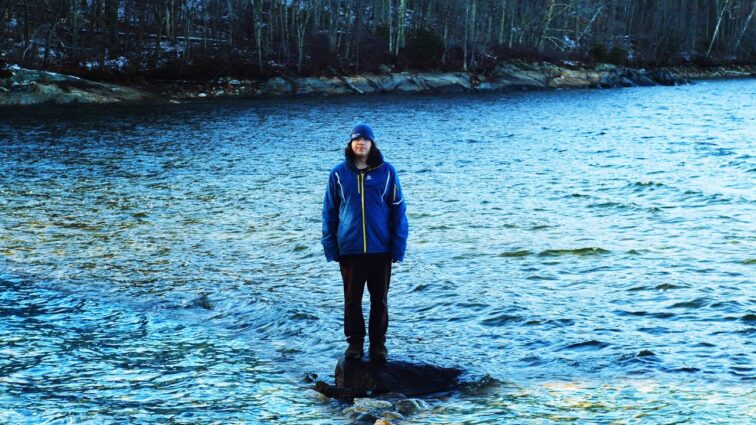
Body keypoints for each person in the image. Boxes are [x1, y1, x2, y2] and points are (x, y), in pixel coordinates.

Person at [321, 123, 408, 362]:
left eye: (365, 139)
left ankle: (378, 345)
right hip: (350, 249)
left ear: (372, 143)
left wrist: (398, 246)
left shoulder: (387, 172)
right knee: (352, 300)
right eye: (356, 140)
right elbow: (329, 211)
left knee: (379, 299)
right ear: (350, 144)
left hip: (381, 249)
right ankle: (355, 344)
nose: (361, 143)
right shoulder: (338, 174)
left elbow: (399, 210)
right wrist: (330, 246)